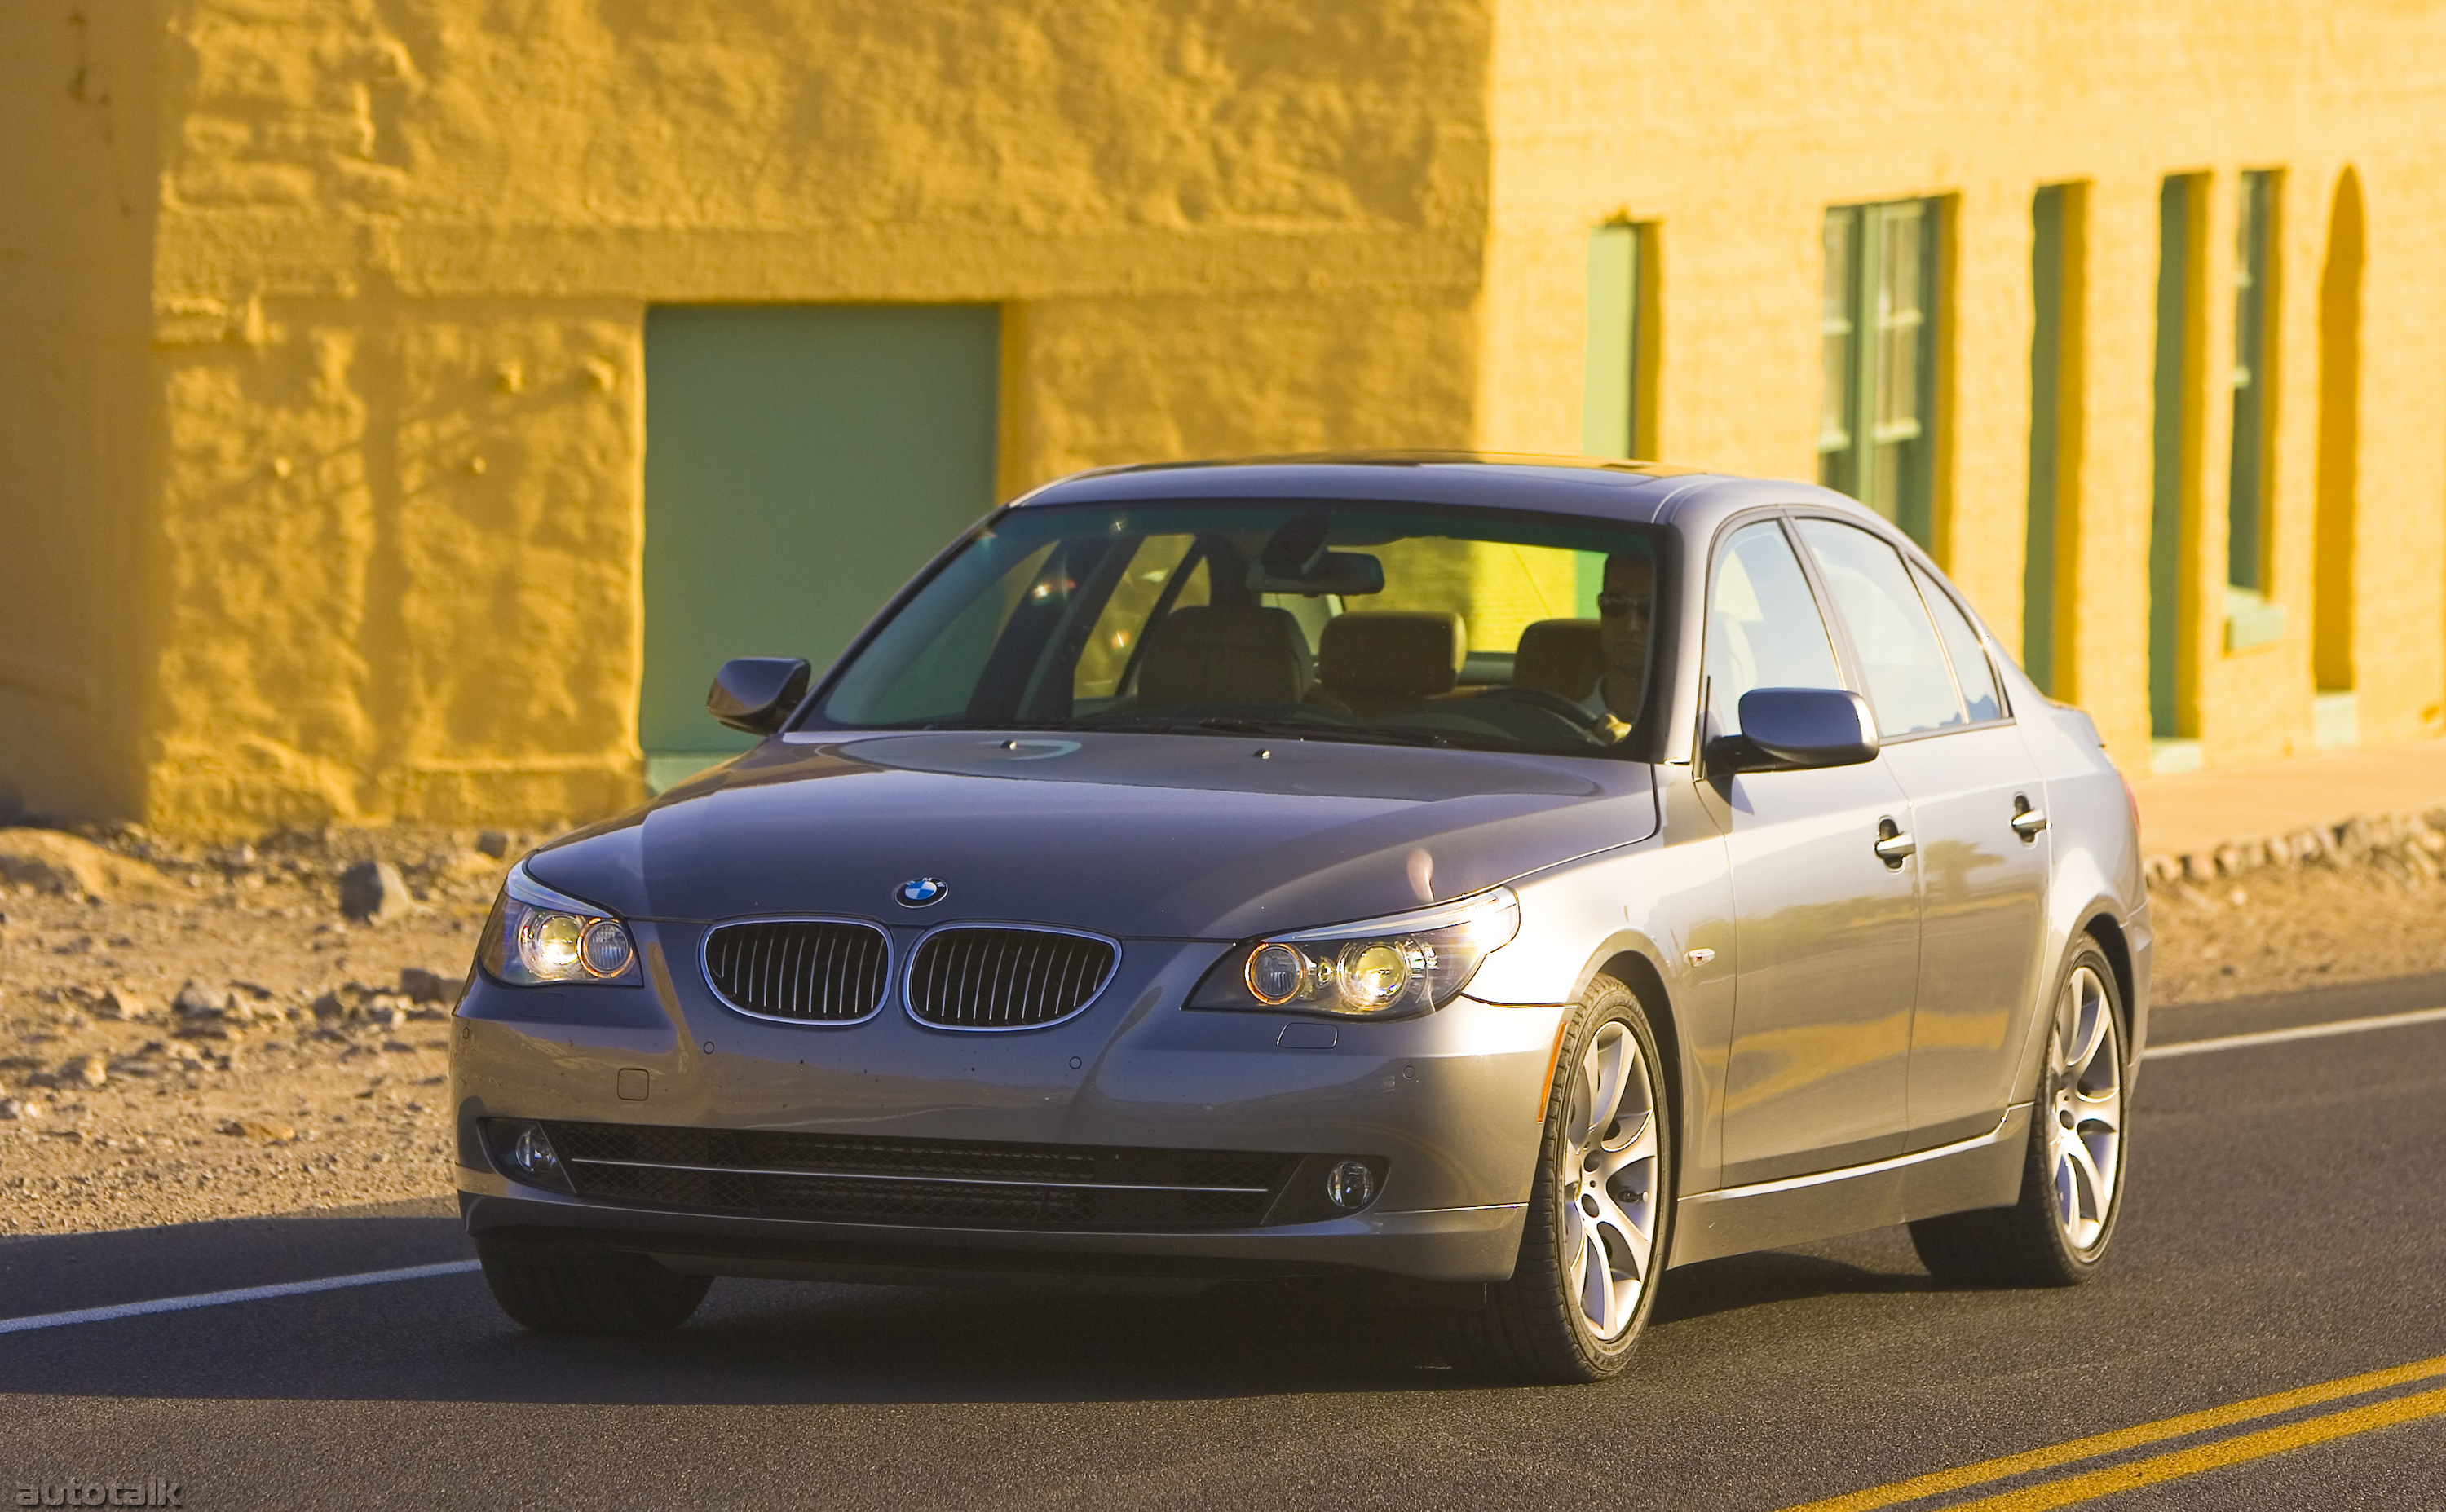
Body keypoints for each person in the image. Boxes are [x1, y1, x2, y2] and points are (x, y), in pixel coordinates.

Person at [1580, 552, 1653, 727]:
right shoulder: (1558, 731)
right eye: (1615, 604)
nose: (1631, 626)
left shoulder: (1693, 736)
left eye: (1649, 608)